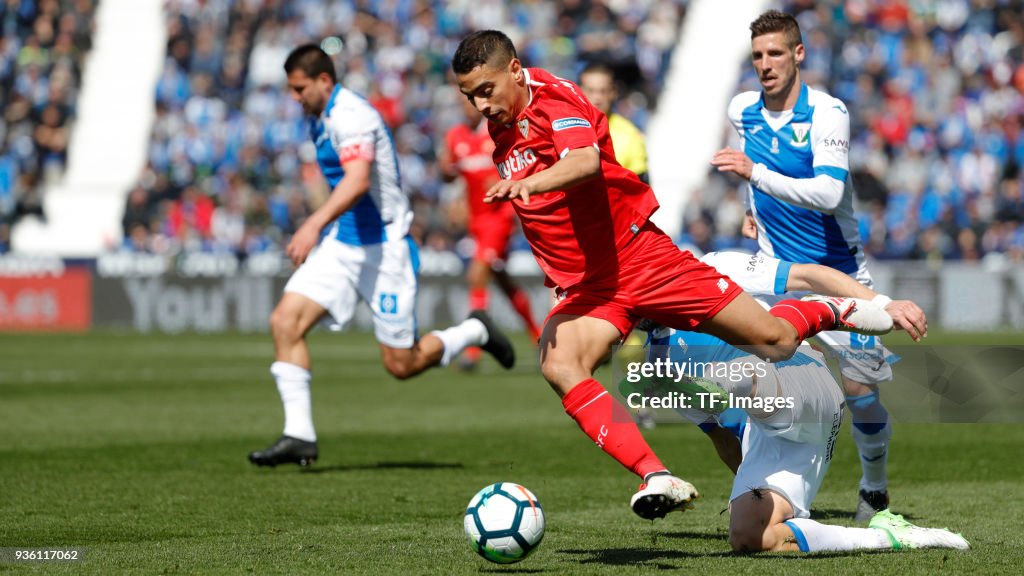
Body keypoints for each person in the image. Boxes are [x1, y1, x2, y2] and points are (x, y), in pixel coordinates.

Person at [451, 30, 892, 520]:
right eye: (470, 95)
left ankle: (835, 308)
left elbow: (584, 161)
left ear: (514, 70)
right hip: (594, 287)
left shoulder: (554, 97)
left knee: (776, 340)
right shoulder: (503, 119)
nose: (480, 105)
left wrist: (528, 183)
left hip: (641, 259)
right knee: (560, 363)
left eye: (486, 90)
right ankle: (655, 474)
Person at [248, 44, 515, 468]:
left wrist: (312, 223)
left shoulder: (350, 116)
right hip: (343, 244)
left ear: (323, 81)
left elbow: (356, 182)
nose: (294, 98)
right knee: (285, 322)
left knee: (401, 364)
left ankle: (473, 332)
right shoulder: (319, 115)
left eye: (299, 89)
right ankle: (299, 435)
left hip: (384, 248)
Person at [623, 250, 968, 552]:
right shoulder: (660, 366)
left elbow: (806, 274)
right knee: (750, 537)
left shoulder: (712, 267)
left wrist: (882, 303)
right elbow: (723, 440)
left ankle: (821, 312)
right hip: (773, 436)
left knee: (743, 371)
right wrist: (754, 490)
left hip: (802, 383)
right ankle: (888, 537)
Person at [712, 10, 900, 520]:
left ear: (799, 54)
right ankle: (767, 496)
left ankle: (874, 486)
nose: (765, 64)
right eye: (757, 55)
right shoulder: (742, 109)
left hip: (839, 274)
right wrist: (754, 207)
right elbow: (761, 175)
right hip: (776, 274)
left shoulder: (827, 113)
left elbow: (827, 191)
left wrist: (756, 174)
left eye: (776, 53)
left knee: (862, 394)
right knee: (743, 377)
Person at [439, 95, 543, 370]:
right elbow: (450, 175)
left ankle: (474, 349)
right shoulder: (456, 137)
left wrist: (501, 181)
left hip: (499, 219)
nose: (467, 110)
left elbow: (521, 166)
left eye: (470, 105)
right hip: (477, 221)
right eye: (462, 105)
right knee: (502, 281)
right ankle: (539, 336)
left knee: (477, 273)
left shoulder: (496, 133)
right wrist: (447, 177)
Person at [578, 62, 648, 182]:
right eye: (590, 91)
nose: (597, 98)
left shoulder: (630, 135)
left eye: (603, 91)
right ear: (578, 91)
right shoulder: (561, 127)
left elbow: (640, 187)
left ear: (614, 92)